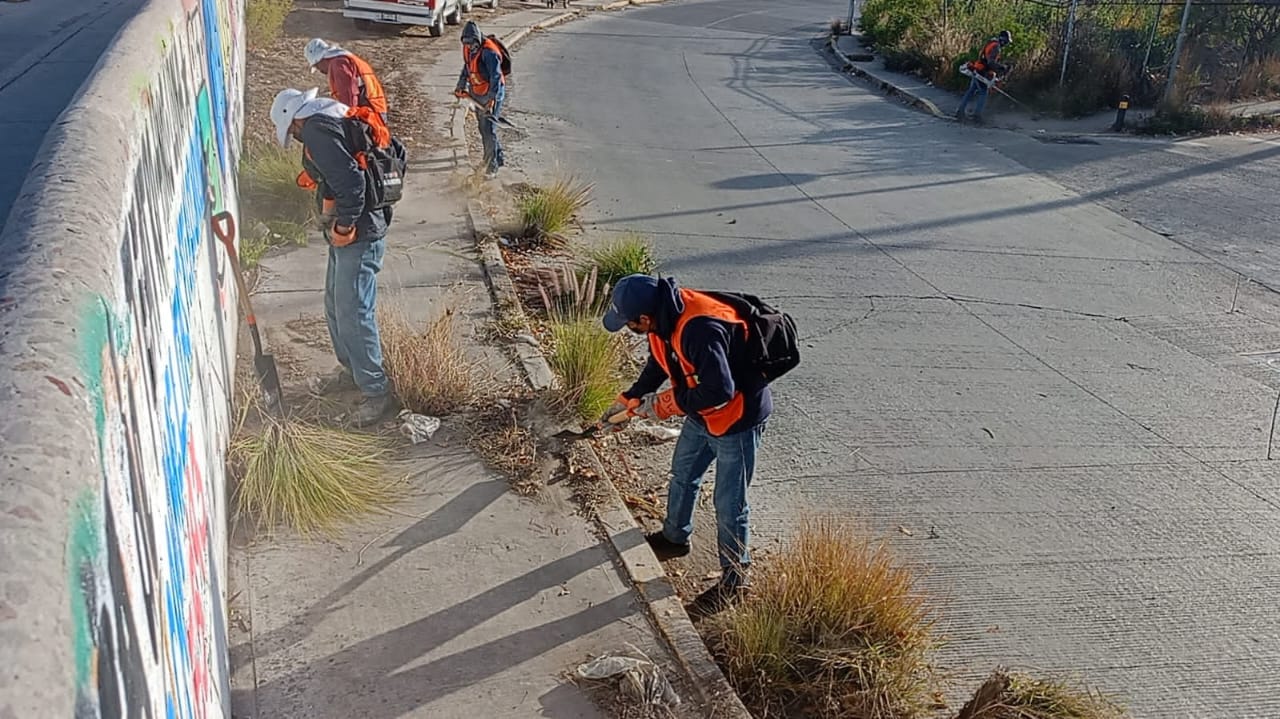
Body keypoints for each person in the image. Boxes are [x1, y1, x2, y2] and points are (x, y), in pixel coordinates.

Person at [601, 274, 772, 614]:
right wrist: (630, 399)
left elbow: (719, 389)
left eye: (628, 324)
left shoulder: (699, 328)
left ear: (644, 318)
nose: (628, 328)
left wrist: (662, 405)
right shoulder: (663, 321)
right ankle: (674, 538)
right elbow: (659, 363)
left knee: (729, 503)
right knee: (682, 473)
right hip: (701, 414)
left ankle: (735, 581)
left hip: (736, 419)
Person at [270, 87, 395, 427]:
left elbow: (351, 182)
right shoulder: (327, 118)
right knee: (335, 304)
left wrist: (344, 225)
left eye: (290, 133)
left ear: (294, 120)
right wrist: (329, 220)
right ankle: (352, 372)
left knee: (353, 310)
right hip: (354, 229)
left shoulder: (316, 129)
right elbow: (332, 179)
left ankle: (375, 391)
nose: (294, 139)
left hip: (362, 231)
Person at [454, 21, 506, 178]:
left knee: (489, 129)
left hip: (493, 93)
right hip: (477, 93)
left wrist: (491, 100)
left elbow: (496, 77)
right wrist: (461, 85)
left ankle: (492, 167)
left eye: (471, 44)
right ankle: (496, 158)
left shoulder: (489, 53)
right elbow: (467, 68)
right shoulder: (468, 49)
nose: (469, 47)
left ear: (477, 40)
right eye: (467, 44)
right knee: (483, 129)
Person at [305, 38, 389, 124]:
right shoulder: (346, 59)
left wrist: (348, 120)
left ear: (321, 59)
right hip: (375, 109)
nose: (320, 70)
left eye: (317, 66)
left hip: (369, 113)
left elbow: (349, 95)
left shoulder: (339, 64)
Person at [955, 30, 1012, 125]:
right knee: (983, 93)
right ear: (1003, 39)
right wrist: (1002, 67)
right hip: (982, 72)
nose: (1006, 44)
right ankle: (977, 116)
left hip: (977, 69)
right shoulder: (996, 47)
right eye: (1006, 41)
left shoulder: (991, 43)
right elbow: (990, 62)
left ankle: (960, 112)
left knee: (971, 91)